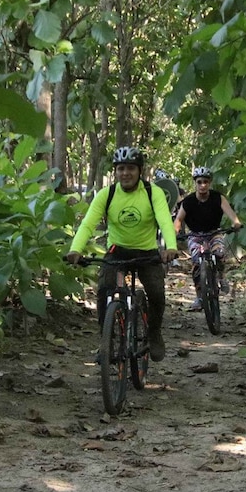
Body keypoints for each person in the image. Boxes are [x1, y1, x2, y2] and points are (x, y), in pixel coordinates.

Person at [66, 147, 178, 361]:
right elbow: (88, 224)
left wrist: (170, 247)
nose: (125, 173)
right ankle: (105, 342)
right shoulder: (106, 195)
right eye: (121, 169)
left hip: (147, 252)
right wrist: (75, 249)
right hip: (118, 251)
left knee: (156, 293)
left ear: (139, 171)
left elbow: (165, 220)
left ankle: (154, 333)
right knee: (104, 290)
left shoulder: (152, 192)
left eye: (130, 169)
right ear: (116, 171)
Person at [173, 166, 242, 311]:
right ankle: (199, 296)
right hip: (195, 235)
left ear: (209, 183)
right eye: (199, 182)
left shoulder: (218, 197)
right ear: (195, 183)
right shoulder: (189, 201)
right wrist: (174, 233)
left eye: (205, 182)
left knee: (219, 252)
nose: (202, 185)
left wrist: (235, 222)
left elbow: (230, 212)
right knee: (197, 263)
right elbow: (178, 220)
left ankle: (221, 276)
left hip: (213, 232)